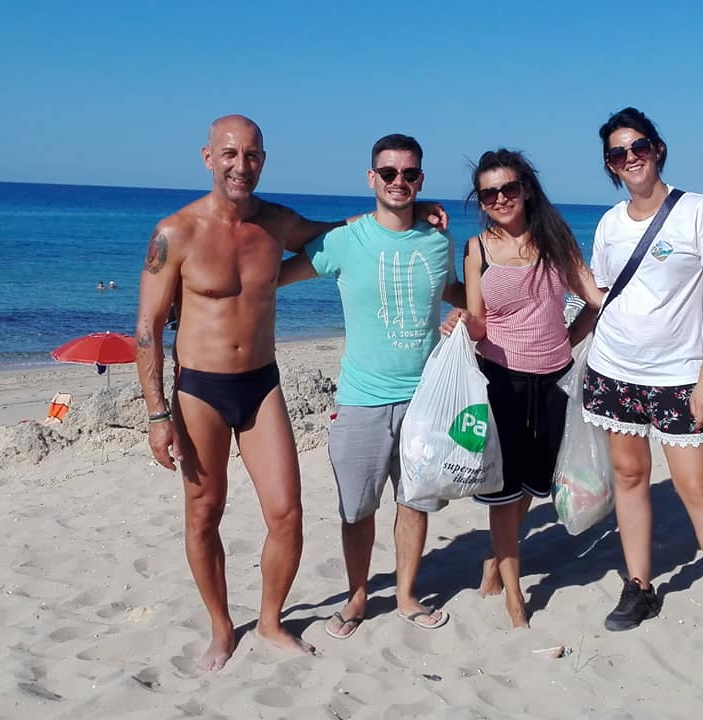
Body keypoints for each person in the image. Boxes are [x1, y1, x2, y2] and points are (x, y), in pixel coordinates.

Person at [135, 114, 359, 670]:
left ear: (264, 160)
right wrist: (157, 416)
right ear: (208, 158)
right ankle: (220, 627)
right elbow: (147, 329)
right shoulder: (175, 232)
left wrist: (406, 212)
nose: (242, 165)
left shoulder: (277, 223)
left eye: (252, 154)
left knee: (287, 513)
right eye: (230, 153)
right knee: (203, 512)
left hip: (261, 384)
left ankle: (270, 621)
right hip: (199, 390)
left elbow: (339, 232)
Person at [583, 107, 703, 657]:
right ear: (610, 165)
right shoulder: (610, 223)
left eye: (639, 146)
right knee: (629, 477)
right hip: (613, 368)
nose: (630, 158)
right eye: (618, 153)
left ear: (657, 149)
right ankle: (639, 587)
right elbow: (603, 297)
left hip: (678, 378)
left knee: (697, 488)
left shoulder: (697, 210)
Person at [278, 133, 465, 640]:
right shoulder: (345, 241)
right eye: (388, 173)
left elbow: (451, 289)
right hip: (361, 400)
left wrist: (473, 311)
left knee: (415, 502)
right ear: (371, 178)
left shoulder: (438, 240)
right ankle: (357, 596)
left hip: (426, 399)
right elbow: (271, 277)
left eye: (409, 174)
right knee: (357, 509)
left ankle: (406, 595)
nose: (398, 181)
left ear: (421, 179)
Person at [441, 149, 602, 628]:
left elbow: (594, 299)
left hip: (554, 379)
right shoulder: (477, 249)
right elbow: (479, 321)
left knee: (534, 481)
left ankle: (497, 557)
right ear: (480, 201)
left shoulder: (555, 239)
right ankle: (515, 597)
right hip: (500, 381)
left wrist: (570, 338)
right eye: (489, 193)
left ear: (526, 189)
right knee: (504, 488)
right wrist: (459, 322)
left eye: (508, 188)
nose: (500, 199)